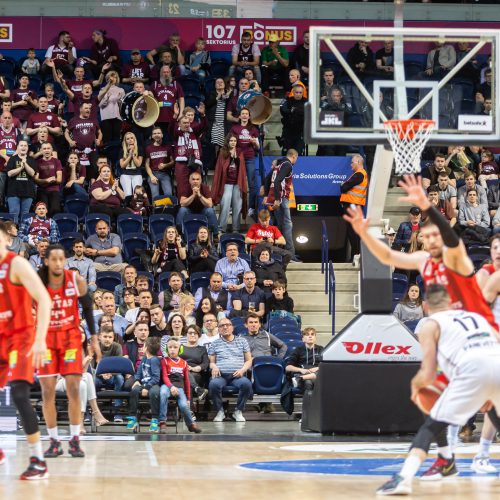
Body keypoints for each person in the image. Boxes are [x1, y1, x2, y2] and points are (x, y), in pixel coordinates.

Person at [344, 175, 499, 479]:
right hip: (453, 335)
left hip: (479, 330)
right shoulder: (423, 261)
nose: (430, 241)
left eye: (435, 236)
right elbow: (389, 256)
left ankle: (456, 453)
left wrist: (428, 205)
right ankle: (446, 456)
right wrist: (364, 232)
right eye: (426, 238)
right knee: (429, 395)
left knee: (488, 400)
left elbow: (451, 238)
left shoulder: (457, 258)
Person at [375, 285, 500, 496]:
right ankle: (446, 462)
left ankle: (404, 478)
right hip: (496, 364)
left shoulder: (429, 324)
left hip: (471, 370)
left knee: (430, 424)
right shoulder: (476, 317)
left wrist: (416, 387)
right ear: (451, 302)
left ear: (425, 306)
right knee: (495, 415)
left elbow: (428, 371)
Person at [37, 244, 101, 459]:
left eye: (61, 259)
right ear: (46, 261)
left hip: (71, 339)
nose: (57, 263)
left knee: (74, 388)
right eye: (53, 259)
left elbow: (89, 310)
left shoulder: (76, 280)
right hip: (46, 340)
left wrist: (94, 339)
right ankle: (54, 441)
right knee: (48, 392)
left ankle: (75, 440)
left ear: (65, 261)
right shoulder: (38, 283)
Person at [0, 221, 51, 480]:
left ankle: (38, 460)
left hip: (21, 337)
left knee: (19, 393)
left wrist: (40, 339)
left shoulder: (15, 264)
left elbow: (43, 299)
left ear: (7, 240)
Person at [208, 318, 253, 422]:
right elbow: (211, 362)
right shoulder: (215, 343)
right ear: (218, 329)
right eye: (222, 325)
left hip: (237, 376)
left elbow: (249, 361)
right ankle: (220, 411)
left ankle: (238, 411)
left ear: (232, 327)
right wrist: (214, 366)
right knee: (213, 384)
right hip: (221, 376)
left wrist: (242, 370)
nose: (225, 327)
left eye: (228, 325)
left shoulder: (242, 341)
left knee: (246, 384)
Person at [159, 336, 202, 433]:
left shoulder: (184, 363)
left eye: (175, 347)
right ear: (167, 349)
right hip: (168, 385)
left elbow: (187, 381)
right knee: (163, 393)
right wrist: (171, 387)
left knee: (183, 405)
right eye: (170, 347)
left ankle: (191, 424)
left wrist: (187, 398)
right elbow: (165, 377)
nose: (172, 349)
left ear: (180, 349)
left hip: (180, 388)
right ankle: (162, 421)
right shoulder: (164, 361)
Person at [263, 149, 299, 259]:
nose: (296, 161)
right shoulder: (287, 165)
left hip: (275, 198)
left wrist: (266, 195)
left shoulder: (278, 164)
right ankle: (290, 255)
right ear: (293, 156)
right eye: (296, 158)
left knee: (279, 226)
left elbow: (267, 179)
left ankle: (280, 254)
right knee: (288, 225)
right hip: (281, 199)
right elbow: (278, 180)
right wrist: (278, 199)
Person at [212, 133, 248, 233]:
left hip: (237, 183)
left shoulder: (240, 152)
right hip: (226, 183)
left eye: (235, 141)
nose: (233, 143)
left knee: (237, 207)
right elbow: (220, 169)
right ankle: (221, 228)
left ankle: (235, 229)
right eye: (231, 141)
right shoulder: (223, 152)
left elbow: (242, 170)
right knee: (225, 206)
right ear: (227, 142)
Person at [126, 336, 162, 433]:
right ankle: (133, 417)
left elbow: (156, 378)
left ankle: (155, 419)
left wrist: (147, 387)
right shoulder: (144, 358)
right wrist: (137, 380)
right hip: (143, 383)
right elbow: (138, 373)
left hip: (152, 384)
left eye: (144, 345)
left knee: (154, 393)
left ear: (147, 348)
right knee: (134, 390)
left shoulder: (154, 360)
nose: (142, 347)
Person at [230, 108, 259, 215]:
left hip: (250, 158)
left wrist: (254, 142)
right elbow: (230, 143)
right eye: (243, 114)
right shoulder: (234, 128)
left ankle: (251, 207)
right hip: (237, 158)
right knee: (236, 183)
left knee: (252, 184)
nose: (245, 115)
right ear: (240, 116)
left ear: (249, 116)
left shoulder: (253, 129)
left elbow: (258, 147)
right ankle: (234, 207)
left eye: (247, 114)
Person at [339, 154, 368, 262]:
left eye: (352, 162)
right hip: (353, 206)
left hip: (353, 206)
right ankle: (355, 255)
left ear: (359, 162)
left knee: (353, 232)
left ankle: (356, 255)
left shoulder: (359, 174)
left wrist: (343, 185)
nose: (350, 164)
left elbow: (344, 188)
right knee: (352, 231)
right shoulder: (357, 174)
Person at [94, 325, 124, 422]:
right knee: (91, 380)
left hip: (113, 376)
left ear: (113, 338)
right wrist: (101, 374)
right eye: (105, 337)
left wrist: (111, 373)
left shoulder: (117, 347)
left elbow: (120, 367)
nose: (107, 339)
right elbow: (91, 368)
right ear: (99, 337)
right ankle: (94, 412)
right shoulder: (95, 347)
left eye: (110, 337)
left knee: (120, 378)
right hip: (98, 376)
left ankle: (118, 412)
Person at [172, 113, 205, 198]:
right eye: (184, 123)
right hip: (181, 164)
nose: (187, 124)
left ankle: (196, 204)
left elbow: (203, 126)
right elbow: (171, 128)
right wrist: (174, 117)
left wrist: (203, 115)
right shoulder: (176, 133)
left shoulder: (194, 133)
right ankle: (183, 206)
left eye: (188, 123)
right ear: (179, 124)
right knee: (182, 186)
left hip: (194, 162)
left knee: (196, 184)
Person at [177, 171, 219, 237]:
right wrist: (193, 195)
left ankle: (215, 235)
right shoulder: (186, 187)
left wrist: (199, 195)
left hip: (202, 211)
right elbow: (182, 203)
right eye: (193, 179)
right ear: (189, 180)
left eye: (197, 179)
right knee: (182, 210)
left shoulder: (205, 187)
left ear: (201, 180)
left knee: (210, 210)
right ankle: (179, 233)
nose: (195, 181)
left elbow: (210, 204)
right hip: (189, 211)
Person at [5, 139, 36, 223]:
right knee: (14, 213)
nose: (23, 147)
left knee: (25, 214)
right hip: (13, 191)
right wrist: (20, 168)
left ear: (27, 148)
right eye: (21, 145)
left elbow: (32, 173)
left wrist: (25, 164)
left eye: (25, 145)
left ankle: (23, 233)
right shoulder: (12, 159)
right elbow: (9, 173)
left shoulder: (31, 160)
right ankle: (13, 234)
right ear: (17, 147)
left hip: (28, 191)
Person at [285, 327, 324, 392]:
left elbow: (327, 365)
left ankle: (300, 379)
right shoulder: (298, 350)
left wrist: (317, 368)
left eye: (312, 334)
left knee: (312, 379)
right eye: (307, 334)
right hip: (304, 373)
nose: (310, 336)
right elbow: (288, 367)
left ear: (315, 338)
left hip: (317, 375)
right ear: (303, 339)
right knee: (308, 382)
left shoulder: (321, 349)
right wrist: (301, 370)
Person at [151, 65, 184, 139]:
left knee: (172, 139)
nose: (166, 74)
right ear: (160, 73)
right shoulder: (155, 84)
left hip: (173, 117)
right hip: (158, 117)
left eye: (168, 72)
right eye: (164, 72)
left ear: (170, 73)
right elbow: (150, 99)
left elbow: (181, 98)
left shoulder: (176, 84)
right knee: (160, 139)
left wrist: (181, 113)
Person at [65, 102, 102, 169]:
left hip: (92, 151)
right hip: (77, 151)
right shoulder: (73, 120)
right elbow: (66, 132)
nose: (88, 110)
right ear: (81, 110)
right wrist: (70, 141)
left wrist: (99, 139)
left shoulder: (94, 120)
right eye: (86, 108)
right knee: (78, 169)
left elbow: (100, 132)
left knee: (93, 170)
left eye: (89, 108)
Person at [180, 325, 209, 401]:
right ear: (186, 334)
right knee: (186, 379)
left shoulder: (202, 349)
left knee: (187, 381)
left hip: (195, 373)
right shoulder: (180, 347)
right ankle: (198, 389)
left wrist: (194, 368)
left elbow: (205, 363)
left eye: (195, 333)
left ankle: (188, 410)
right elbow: (175, 360)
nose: (192, 335)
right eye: (190, 333)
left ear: (199, 335)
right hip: (180, 372)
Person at [145, 126, 174, 199]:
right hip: (153, 174)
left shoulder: (168, 147)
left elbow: (173, 162)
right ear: (152, 136)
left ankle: (168, 210)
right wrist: (151, 176)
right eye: (154, 133)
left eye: (158, 133)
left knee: (169, 194)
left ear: (162, 135)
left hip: (164, 174)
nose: (156, 135)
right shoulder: (148, 148)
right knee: (155, 196)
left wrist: (165, 165)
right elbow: (146, 164)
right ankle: (156, 210)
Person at [34, 142, 62, 216]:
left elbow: (59, 180)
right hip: (42, 190)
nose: (46, 150)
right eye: (44, 148)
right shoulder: (37, 162)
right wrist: (46, 180)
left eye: (48, 148)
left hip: (54, 189)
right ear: (41, 150)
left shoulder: (57, 161)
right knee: (43, 211)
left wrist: (53, 180)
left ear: (52, 150)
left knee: (55, 210)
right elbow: (36, 179)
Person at [97, 70, 124, 145]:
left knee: (117, 139)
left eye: (115, 77)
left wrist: (119, 100)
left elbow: (122, 105)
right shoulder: (103, 90)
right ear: (107, 78)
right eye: (111, 77)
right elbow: (100, 105)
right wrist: (107, 98)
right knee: (107, 139)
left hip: (117, 117)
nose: (113, 79)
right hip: (106, 117)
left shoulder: (121, 90)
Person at [0, 111, 20, 204]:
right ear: (1, 119)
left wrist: (10, 159)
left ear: (12, 120)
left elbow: (21, 147)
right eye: (5, 118)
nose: (7, 120)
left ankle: (10, 214)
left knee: (11, 194)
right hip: (0, 167)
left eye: (9, 118)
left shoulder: (16, 131)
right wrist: (5, 157)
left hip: (13, 168)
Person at [279, 86, 306, 154]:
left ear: (303, 93)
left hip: (300, 132)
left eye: (300, 92)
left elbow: (307, 113)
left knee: (298, 153)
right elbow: (283, 110)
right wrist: (292, 111)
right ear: (293, 92)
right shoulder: (288, 100)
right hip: (288, 131)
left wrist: (294, 110)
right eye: (297, 92)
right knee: (286, 153)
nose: (298, 94)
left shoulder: (306, 102)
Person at [119, 131, 143, 198]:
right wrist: (129, 155)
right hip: (125, 174)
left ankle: (137, 207)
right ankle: (128, 208)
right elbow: (122, 165)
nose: (130, 140)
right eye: (128, 139)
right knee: (128, 194)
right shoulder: (122, 150)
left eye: (132, 138)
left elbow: (138, 164)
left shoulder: (139, 149)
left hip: (137, 174)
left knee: (137, 193)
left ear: (134, 139)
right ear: (125, 141)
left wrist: (133, 154)